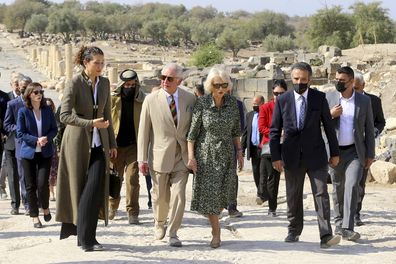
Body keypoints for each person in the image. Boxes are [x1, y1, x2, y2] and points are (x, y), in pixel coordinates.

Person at [270, 62, 341, 248]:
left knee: (321, 193)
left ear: (309, 79)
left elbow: (329, 127)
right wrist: (276, 157)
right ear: (291, 79)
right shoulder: (283, 100)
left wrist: (334, 152)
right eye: (295, 79)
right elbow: (274, 130)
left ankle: (326, 235)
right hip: (291, 156)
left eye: (303, 79)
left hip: (316, 156)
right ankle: (293, 230)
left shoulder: (319, 98)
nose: (299, 82)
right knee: (293, 195)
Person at [55, 46, 117, 252]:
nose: (100, 66)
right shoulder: (74, 83)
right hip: (77, 145)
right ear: (85, 63)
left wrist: (113, 144)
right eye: (96, 62)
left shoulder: (105, 83)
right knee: (80, 190)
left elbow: (107, 113)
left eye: (102, 62)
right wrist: (90, 123)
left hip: (100, 144)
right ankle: (84, 238)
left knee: (94, 191)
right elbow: (64, 116)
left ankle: (88, 237)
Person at [137, 63, 196, 247]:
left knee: (179, 195)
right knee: (160, 197)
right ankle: (159, 222)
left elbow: (195, 128)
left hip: (182, 156)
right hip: (159, 155)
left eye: (169, 78)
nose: (164, 81)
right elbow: (144, 131)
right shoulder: (151, 100)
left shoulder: (190, 98)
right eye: (162, 78)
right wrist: (142, 158)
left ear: (179, 80)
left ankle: (173, 232)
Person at [187, 66, 243, 248]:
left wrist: (240, 152)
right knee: (211, 196)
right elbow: (192, 135)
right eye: (217, 84)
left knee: (224, 196)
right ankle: (216, 232)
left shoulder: (233, 103)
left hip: (227, 154)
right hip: (206, 155)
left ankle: (215, 220)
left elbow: (236, 131)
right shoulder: (202, 103)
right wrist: (191, 157)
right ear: (210, 85)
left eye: (224, 84)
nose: (220, 88)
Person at [326, 66, 375, 241]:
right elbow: (317, 124)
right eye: (336, 80)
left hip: (355, 152)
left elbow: (369, 129)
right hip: (335, 152)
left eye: (342, 80)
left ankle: (348, 226)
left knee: (353, 185)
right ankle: (338, 224)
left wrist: (370, 154)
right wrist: (330, 115)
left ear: (352, 82)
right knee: (338, 188)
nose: (338, 83)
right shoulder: (328, 98)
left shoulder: (363, 101)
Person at [16, 82, 57, 228]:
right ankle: (34, 216)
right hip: (28, 153)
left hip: (45, 152)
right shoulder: (23, 111)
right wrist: (35, 140)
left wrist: (47, 138)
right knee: (30, 185)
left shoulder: (47, 110)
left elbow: (54, 129)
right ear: (29, 95)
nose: (39, 94)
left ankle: (45, 208)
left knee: (42, 183)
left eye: (41, 92)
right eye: (35, 92)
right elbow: (20, 133)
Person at [109, 69, 145, 224]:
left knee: (132, 178)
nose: (129, 88)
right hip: (115, 145)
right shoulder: (112, 100)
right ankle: (112, 207)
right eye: (127, 85)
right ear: (121, 85)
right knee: (114, 178)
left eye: (132, 85)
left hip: (134, 146)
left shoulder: (142, 100)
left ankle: (133, 212)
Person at [353, 71, 385, 226]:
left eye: (357, 88)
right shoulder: (342, 100)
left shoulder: (373, 101)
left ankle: (355, 213)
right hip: (344, 147)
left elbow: (381, 121)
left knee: (359, 182)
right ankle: (343, 214)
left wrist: (373, 133)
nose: (354, 92)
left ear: (363, 86)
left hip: (364, 147)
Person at [258, 79, 288, 216]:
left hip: (288, 144)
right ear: (272, 93)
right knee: (272, 178)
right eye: (276, 93)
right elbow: (261, 127)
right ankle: (272, 207)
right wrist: (276, 133)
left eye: (282, 93)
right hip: (271, 145)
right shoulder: (265, 107)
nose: (279, 96)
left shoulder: (290, 106)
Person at [4, 75, 32, 215]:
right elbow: (7, 124)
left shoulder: (36, 102)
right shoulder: (11, 102)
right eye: (21, 85)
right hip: (12, 143)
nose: (23, 87)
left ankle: (28, 204)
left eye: (27, 85)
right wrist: (19, 129)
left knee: (25, 175)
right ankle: (15, 204)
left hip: (29, 145)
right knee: (14, 175)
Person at [241, 95, 265, 205]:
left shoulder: (266, 114)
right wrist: (242, 149)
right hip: (253, 148)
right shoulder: (249, 115)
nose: (254, 106)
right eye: (253, 104)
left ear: (262, 104)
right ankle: (260, 191)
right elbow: (246, 133)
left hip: (264, 148)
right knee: (256, 172)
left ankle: (261, 194)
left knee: (263, 171)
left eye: (256, 104)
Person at [227, 89, 245, 218]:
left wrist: (239, 150)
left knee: (231, 177)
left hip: (231, 146)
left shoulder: (237, 104)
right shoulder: (205, 102)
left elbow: (240, 128)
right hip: (210, 147)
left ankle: (232, 207)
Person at [45, 98, 58, 201]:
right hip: (46, 145)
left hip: (56, 147)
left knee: (55, 170)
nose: (49, 107)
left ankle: (55, 190)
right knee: (49, 171)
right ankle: (50, 191)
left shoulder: (57, 116)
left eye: (51, 106)